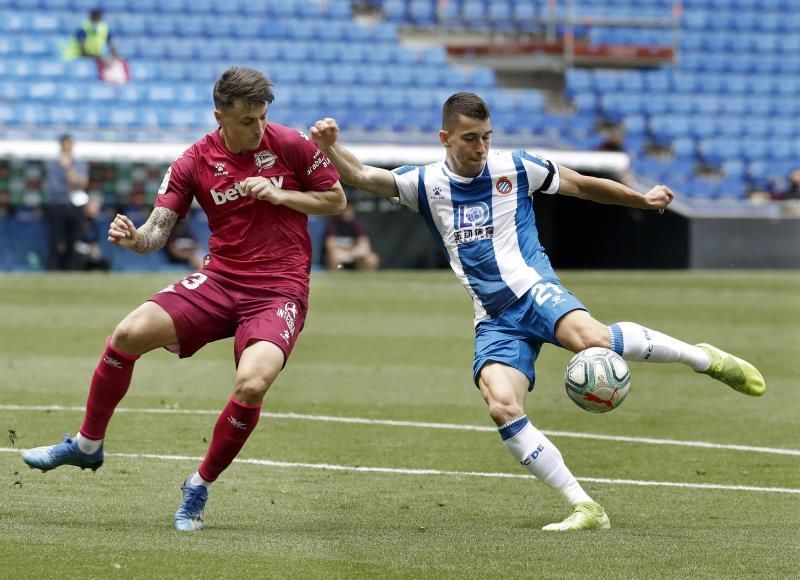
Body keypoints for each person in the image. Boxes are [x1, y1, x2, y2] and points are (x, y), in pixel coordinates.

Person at [309, 92, 766, 531]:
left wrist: (641, 199)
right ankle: (584, 505)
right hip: (492, 316)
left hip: (534, 290)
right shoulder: (426, 183)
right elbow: (365, 177)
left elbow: (584, 186)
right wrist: (331, 148)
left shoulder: (516, 166)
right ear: (445, 139)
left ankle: (704, 358)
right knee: (502, 405)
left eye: (486, 136)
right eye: (470, 139)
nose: (481, 147)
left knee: (594, 340)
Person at [22, 66, 346, 532]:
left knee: (252, 385)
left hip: (279, 287)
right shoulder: (193, 160)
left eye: (262, 117)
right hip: (220, 280)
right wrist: (135, 239)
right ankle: (87, 445)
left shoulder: (291, 144)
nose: (258, 129)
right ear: (220, 116)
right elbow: (158, 230)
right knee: (128, 334)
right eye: (247, 121)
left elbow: (335, 200)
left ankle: (199, 485)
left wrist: (283, 196)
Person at [44, 134, 89, 270]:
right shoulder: (52, 164)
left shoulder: (79, 163)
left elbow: (82, 183)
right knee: (56, 239)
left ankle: (71, 269)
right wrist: (73, 180)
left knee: (75, 239)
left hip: (76, 205)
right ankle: (53, 268)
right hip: (58, 204)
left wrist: (68, 169)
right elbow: (55, 188)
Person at [324, 203, 379, 271]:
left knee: (372, 259)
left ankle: (366, 279)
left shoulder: (357, 223)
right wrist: (345, 253)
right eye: (345, 210)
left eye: (349, 210)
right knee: (333, 258)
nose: (347, 213)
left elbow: (365, 245)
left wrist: (353, 253)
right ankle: (334, 278)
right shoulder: (333, 223)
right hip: (340, 255)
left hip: (355, 255)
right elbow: (330, 245)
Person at [73, 196, 111, 271]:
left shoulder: (94, 222)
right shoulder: (78, 221)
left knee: (105, 263)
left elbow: (94, 241)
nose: (97, 211)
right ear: (87, 208)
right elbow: (74, 244)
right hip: (78, 255)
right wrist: (88, 250)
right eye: (95, 208)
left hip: (91, 255)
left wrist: (95, 250)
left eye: (98, 208)